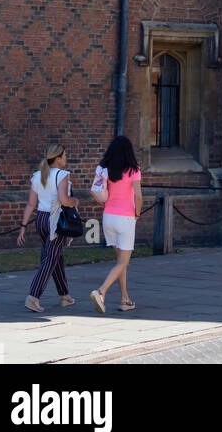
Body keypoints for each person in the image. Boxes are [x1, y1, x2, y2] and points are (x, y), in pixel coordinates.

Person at [17, 142, 78, 312]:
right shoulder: (62, 175)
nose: (66, 159)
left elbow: (31, 204)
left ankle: (65, 296)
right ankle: (33, 296)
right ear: (58, 159)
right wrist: (75, 201)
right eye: (64, 156)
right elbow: (64, 200)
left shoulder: (38, 175)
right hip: (55, 219)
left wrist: (23, 226)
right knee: (50, 258)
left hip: (41, 219)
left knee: (55, 256)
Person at [90, 135, 142, 314]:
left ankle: (124, 299)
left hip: (108, 217)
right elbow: (138, 196)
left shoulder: (107, 169)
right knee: (123, 262)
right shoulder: (133, 169)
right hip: (125, 218)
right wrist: (137, 213)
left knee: (121, 262)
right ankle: (101, 291)